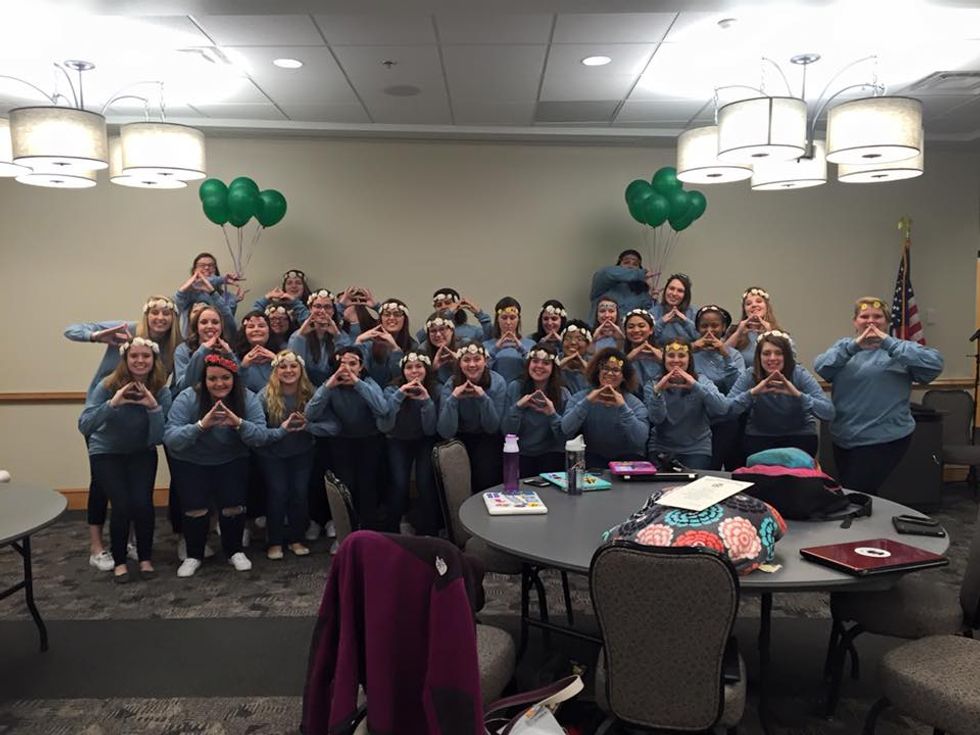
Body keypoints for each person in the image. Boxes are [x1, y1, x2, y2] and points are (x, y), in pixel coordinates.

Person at [65, 295, 181, 571]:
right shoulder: (126, 330)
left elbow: (157, 435)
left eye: (166, 313)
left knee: (137, 499)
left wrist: (154, 409)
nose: (160, 318)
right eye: (154, 312)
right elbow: (71, 330)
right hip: (104, 420)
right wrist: (96, 336)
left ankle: (129, 545)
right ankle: (97, 548)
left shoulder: (172, 349)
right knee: (103, 486)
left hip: (140, 428)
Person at [164, 353, 282, 577]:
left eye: (225, 378)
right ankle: (194, 555)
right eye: (213, 378)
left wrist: (239, 424)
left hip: (231, 459)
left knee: (233, 506)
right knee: (195, 509)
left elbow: (261, 436)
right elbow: (171, 437)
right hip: (191, 461)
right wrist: (201, 426)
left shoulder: (246, 398)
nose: (219, 383)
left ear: (234, 378)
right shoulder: (188, 397)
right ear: (204, 379)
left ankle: (234, 551)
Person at [815, 296, 944, 494]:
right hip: (844, 438)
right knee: (856, 493)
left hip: (883, 439)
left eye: (877, 316)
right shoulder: (845, 347)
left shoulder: (900, 349)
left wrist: (888, 344)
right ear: (855, 321)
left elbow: (934, 364)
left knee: (856, 493)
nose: (871, 321)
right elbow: (822, 367)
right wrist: (854, 347)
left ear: (887, 321)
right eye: (864, 316)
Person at [78, 338, 172, 582]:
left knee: (143, 504)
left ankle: (145, 559)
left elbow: (158, 438)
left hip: (141, 452)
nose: (140, 361)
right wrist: (113, 403)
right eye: (134, 356)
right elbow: (85, 425)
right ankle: (119, 562)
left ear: (154, 360)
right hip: (106, 452)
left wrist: (153, 407)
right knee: (121, 505)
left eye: (146, 356)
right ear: (125, 359)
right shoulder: (107, 385)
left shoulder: (161, 390)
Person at [305, 346, 388, 530]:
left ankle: (368, 529)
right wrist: (328, 386)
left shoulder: (368, 383)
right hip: (341, 441)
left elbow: (383, 409)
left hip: (369, 439)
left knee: (367, 485)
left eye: (353, 364)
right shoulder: (331, 385)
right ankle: (346, 529)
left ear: (361, 367)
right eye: (343, 364)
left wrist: (357, 383)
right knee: (345, 485)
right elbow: (309, 414)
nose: (347, 369)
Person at [727, 330, 834, 458]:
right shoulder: (750, 375)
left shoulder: (799, 374)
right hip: (759, 437)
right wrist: (752, 393)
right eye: (766, 353)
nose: (772, 358)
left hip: (799, 436)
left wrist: (798, 395)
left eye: (778, 353)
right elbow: (726, 409)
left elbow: (828, 412)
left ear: (787, 356)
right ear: (759, 356)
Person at [257, 350, 315, 559]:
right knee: (278, 493)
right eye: (283, 367)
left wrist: (309, 426)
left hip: (302, 452)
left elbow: (325, 422)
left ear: (301, 370)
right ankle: (274, 541)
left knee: (299, 493)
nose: (288, 370)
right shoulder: (264, 396)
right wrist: (281, 430)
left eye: (293, 366)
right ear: (275, 371)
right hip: (272, 454)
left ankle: (296, 538)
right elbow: (258, 432)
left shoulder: (310, 393)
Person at [378, 352, 442, 535]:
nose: (414, 371)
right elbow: (386, 424)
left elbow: (431, 429)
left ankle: (430, 530)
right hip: (397, 440)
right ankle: (392, 529)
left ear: (426, 369)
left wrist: (426, 401)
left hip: (424, 439)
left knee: (425, 482)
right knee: (399, 483)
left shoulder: (436, 389)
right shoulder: (391, 389)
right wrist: (399, 395)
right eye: (409, 367)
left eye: (419, 366)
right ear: (402, 371)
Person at [644, 340, 728, 470]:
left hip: (696, 449)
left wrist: (695, 386)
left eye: (682, 356)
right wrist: (658, 392)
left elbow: (722, 408)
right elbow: (656, 419)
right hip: (661, 448)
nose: (676, 360)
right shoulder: (653, 385)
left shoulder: (702, 381)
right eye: (671, 356)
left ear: (690, 359)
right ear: (664, 359)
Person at [437, 341, 508, 492]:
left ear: (486, 361)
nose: (472, 365)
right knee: (456, 482)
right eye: (466, 360)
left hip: (487, 437)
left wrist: (483, 398)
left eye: (477, 359)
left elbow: (492, 428)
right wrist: (453, 399)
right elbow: (445, 432)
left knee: (485, 475)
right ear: (459, 363)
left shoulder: (498, 383)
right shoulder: (450, 385)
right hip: (459, 438)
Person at [560, 348, 649, 466]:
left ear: (624, 376)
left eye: (616, 370)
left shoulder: (635, 403)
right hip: (591, 462)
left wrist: (623, 407)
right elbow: (566, 428)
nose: (610, 373)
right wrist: (587, 402)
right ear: (598, 372)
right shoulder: (580, 398)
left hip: (626, 463)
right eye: (605, 368)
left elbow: (641, 440)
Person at [501, 344, 569, 476]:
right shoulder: (515, 387)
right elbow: (507, 433)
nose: (539, 366)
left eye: (546, 363)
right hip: (521, 452)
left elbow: (564, 439)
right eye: (535, 361)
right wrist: (518, 408)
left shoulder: (563, 393)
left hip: (551, 454)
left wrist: (552, 414)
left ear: (553, 368)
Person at [692, 305, 745, 469]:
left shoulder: (734, 355)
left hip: (726, 420)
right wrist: (692, 348)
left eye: (715, 326)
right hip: (696, 420)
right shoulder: (689, 354)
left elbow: (738, 387)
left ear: (723, 328)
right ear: (697, 328)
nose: (709, 331)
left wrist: (725, 355)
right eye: (704, 326)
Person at [288, 290, 351, 386]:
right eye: (317, 306)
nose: (322, 311)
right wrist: (301, 335)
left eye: (327, 307)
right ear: (310, 309)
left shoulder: (342, 336)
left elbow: (347, 365)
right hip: (304, 387)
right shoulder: (297, 336)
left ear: (333, 311)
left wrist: (337, 336)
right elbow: (293, 364)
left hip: (334, 386)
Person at [172, 304, 234, 394]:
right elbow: (183, 386)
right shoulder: (183, 349)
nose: (210, 326)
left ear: (221, 327)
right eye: (204, 322)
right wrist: (202, 351)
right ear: (196, 327)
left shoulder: (228, 348)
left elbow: (239, 384)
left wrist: (229, 355)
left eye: (215, 322)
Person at [173, 252, 239, 334]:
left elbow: (229, 324)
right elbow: (173, 308)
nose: (207, 267)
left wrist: (213, 288)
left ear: (216, 270)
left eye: (211, 265)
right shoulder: (188, 294)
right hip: (190, 340)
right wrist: (221, 279)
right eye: (202, 265)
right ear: (194, 270)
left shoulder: (228, 297)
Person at [355, 299, 416, 387]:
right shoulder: (369, 346)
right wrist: (358, 342)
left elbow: (402, 379)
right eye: (387, 314)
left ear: (405, 319)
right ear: (381, 319)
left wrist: (395, 349)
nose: (391, 318)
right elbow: (360, 376)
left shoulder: (413, 346)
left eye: (397, 314)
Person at [726, 286, 783, 367]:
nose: (754, 305)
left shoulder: (779, 334)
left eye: (759, 301)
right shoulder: (733, 331)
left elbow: (786, 360)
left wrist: (770, 333)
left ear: (767, 306)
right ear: (745, 310)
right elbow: (722, 356)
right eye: (748, 304)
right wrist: (738, 333)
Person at [483, 297, 535, 383]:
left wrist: (522, 350)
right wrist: (495, 350)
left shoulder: (530, 345)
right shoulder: (486, 346)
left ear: (518, 319)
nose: (508, 322)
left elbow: (535, 371)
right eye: (504, 318)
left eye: (512, 318)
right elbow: (481, 372)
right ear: (497, 319)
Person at [589, 248, 654, 316]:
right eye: (626, 262)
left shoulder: (641, 292)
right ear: (618, 265)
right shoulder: (603, 283)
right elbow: (605, 273)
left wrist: (653, 299)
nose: (630, 266)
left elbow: (649, 315)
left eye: (635, 264)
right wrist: (640, 274)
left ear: (639, 268)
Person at [415, 288, 491, 343]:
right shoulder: (433, 331)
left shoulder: (473, 331)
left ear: (458, 305)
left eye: (448, 303)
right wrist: (447, 315)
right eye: (439, 305)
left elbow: (490, 339)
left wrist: (480, 315)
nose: (443, 306)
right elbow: (421, 337)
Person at [234, 310, 277, 393]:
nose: (256, 329)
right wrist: (243, 367)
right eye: (251, 327)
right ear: (244, 332)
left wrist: (276, 361)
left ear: (269, 330)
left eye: (261, 326)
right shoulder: (236, 359)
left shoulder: (280, 354)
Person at [623, 309, 664, 395]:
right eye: (631, 327)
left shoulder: (663, 353)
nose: (636, 330)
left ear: (651, 330)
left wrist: (664, 361)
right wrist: (627, 359)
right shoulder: (619, 354)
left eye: (641, 326)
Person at [651, 273, 698, 344]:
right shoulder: (653, 313)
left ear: (686, 295)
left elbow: (701, 337)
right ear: (665, 290)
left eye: (680, 291)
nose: (674, 293)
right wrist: (662, 322)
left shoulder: (694, 313)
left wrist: (685, 321)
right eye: (671, 288)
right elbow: (647, 338)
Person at [419, 313, 458, 384]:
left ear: (452, 330)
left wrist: (461, 362)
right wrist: (432, 369)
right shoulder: (423, 350)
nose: (438, 334)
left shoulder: (464, 346)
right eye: (433, 331)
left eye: (442, 329)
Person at [558, 321, 593, 395]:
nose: (573, 342)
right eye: (568, 338)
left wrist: (589, 371)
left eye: (579, 339)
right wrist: (557, 368)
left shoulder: (594, 363)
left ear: (588, 344)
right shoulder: (554, 360)